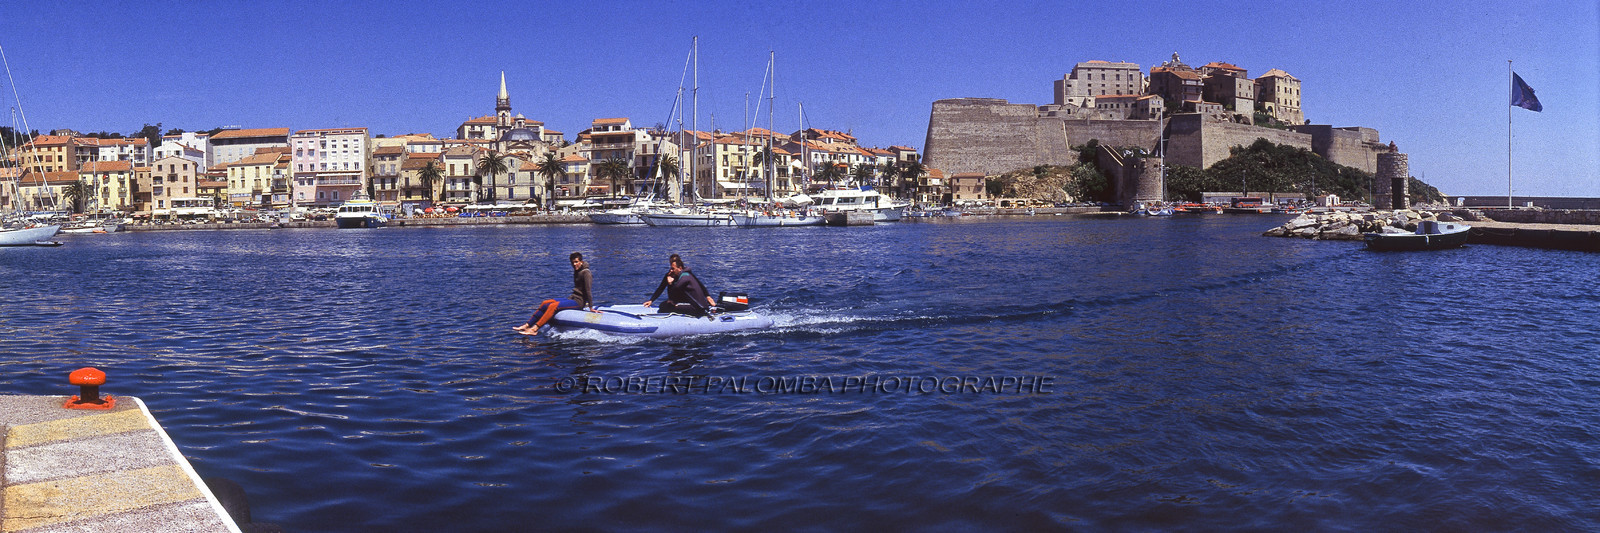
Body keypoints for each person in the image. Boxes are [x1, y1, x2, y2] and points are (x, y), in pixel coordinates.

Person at [514, 252, 593, 335]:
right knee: (545, 303)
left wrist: (590, 307)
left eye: (576, 262)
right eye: (572, 262)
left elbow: (588, 291)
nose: (574, 264)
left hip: (579, 302)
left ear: (581, 262)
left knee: (553, 306)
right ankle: (527, 325)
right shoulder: (577, 271)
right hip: (572, 298)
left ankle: (534, 329)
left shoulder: (586, 273)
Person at [643, 254, 716, 317]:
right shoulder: (670, 275)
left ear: (679, 267)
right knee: (663, 305)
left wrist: (707, 296)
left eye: (673, 268)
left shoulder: (685, 275)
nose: (671, 270)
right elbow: (661, 288)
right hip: (676, 300)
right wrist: (651, 300)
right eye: (670, 266)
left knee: (664, 306)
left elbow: (699, 284)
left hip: (687, 301)